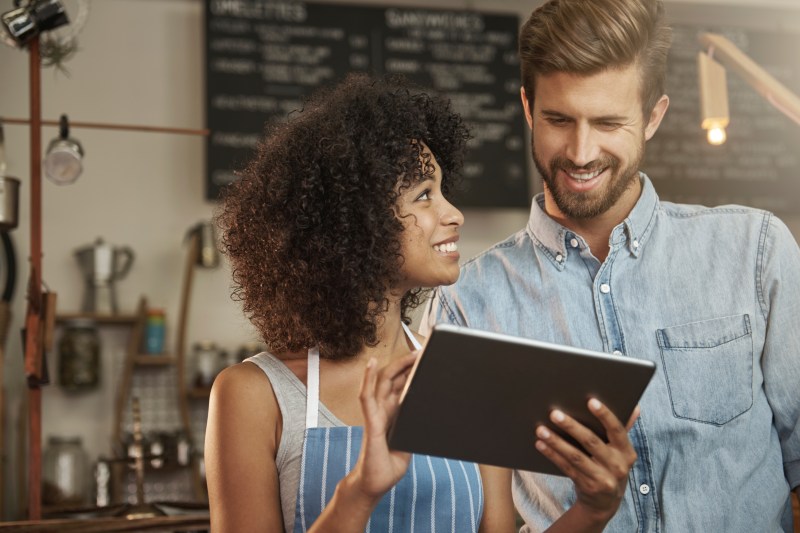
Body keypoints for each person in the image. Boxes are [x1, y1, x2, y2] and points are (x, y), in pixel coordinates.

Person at [205, 72, 641, 533]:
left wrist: (593, 509)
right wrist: (361, 491)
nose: (454, 214)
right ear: (356, 223)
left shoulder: (469, 380)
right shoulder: (253, 395)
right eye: (424, 195)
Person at [422, 0, 800, 531]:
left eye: (607, 122)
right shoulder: (466, 302)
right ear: (528, 110)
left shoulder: (756, 252)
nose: (580, 152)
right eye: (559, 119)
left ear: (653, 117)